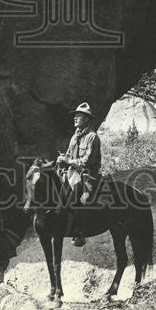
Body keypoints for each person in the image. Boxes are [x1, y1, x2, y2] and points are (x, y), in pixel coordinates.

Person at [56, 102, 101, 247]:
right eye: (75, 116)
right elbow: (68, 154)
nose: (75, 118)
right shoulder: (74, 137)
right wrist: (62, 159)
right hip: (72, 171)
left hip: (87, 174)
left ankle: (80, 232)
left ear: (86, 119)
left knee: (83, 198)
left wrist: (69, 161)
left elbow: (88, 160)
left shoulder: (92, 137)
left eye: (79, 116)